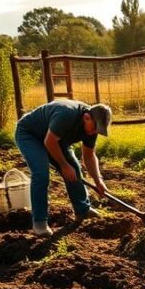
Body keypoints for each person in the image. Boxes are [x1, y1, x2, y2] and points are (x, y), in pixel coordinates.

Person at [14, 98, 112, 237]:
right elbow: (49, 141)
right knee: (41, 174)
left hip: (54, 139)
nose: (95, 132)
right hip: (30, 135)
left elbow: (89, 156)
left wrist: (98, 180)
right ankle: (40, 223)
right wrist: (63, 165)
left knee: (75, 169)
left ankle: (82, 210)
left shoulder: (92, 129)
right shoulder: (67, 114)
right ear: (86, 117)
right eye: (95, 128)